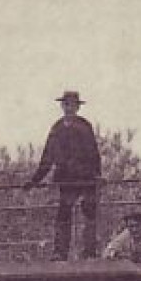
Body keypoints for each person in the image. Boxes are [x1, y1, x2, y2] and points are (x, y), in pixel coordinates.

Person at [24, 90, 103, 260]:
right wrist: (35, 180)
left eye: (72, 104)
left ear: (77, 107)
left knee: (89, 211)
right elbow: (47, 157)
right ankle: (60, 253)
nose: (69, 107)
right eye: (66, 104)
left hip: (86, 178)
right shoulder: (57, 128)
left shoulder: (84, 126)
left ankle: (89, 252)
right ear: (62, 106)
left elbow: (94, 153)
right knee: (64, 213)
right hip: (66, 179)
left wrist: (97, 175)